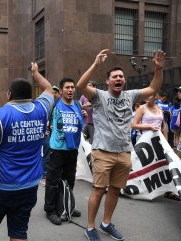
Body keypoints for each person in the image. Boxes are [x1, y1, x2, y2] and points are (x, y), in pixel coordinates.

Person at [76, 49, 165, 241]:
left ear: (124, 80)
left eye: (121, 76)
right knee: (99, 190)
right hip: (102, 152)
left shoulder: (131, 95)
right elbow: (81, 85)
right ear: (108, 81)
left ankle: (106, 223)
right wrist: (96, 64)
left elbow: (152, 88)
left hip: (124, 152)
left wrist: (158, 69)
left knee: (115, 189)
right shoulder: (99, 96)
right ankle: (90, 227)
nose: (119, 78)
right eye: (114, 76)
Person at [0, 62, 54, 241]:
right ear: (31, 95)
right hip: (29, 185)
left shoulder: (0, 115)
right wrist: (35, 72)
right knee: (19, 231)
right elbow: (49, 88)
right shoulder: (42, 109)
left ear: (9, 95)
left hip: (0, 186)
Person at [44, 78, 87, 225]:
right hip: (57, 149)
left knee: (69, 180)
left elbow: (79, 123)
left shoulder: (77, 105)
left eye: (72, 87)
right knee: (53, 180)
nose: (70, 90)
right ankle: (50, 210)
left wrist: (83, 116)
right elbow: (48, 122)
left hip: (72, 149)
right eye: (67, 87)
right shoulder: (55, 105)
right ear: (61, 90)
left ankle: (67, 205)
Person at [40, 85, 61, 187]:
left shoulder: (59, 104)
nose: (55, 94)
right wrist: (44, 129)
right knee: (46, 155)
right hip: (47, 133)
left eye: (56, 92)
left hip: (56, 134)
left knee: (54, 155)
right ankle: (44, 176)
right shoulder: (45, 104)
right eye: (53, 92)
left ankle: (52, 176)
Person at [170, 87, 181, 151]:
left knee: (177, 136)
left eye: (180, 92)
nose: (178, 93)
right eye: (178, 92)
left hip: (176, 124)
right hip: (178, 124)